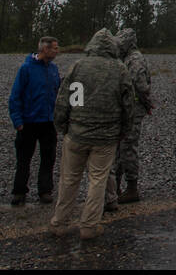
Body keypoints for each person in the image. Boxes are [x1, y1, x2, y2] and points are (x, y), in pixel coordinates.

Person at [49, 29, 133, 239]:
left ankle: (60, 222)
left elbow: (64, 99)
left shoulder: (79, 66)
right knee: (98, 180)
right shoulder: (120, 69)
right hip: (105, 138)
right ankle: (88, 225)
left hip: (77, 133)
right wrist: (123, 131)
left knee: (69, 179)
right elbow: (128, 105)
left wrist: (61, 125)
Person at [9, 36, 60, 205]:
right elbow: (15, 96)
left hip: (48, 121)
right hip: (28, 122)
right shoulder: (26, 69)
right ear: (44, 49)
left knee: (48, 158)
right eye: (54, 48)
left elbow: (58, 92)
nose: (57, 50)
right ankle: (19, 191)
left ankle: (45, 190)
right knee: (24, 159)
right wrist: (17, 121)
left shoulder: (53, 69)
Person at [108, 28, 152, 205]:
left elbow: (141, 87)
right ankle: (116, 187)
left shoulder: (135, 60)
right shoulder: (125, 58)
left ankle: (132, 188)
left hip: (133, 110)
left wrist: (146, 103)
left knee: (128, 148)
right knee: (119, 148)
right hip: (126, 109)